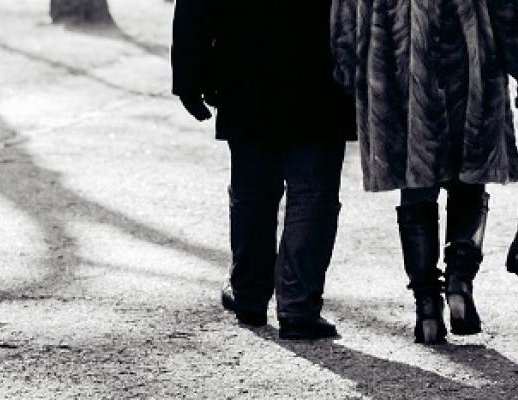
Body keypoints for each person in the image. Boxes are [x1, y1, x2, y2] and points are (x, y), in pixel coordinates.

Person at [332, 0, 518, 344]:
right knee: (469, 180)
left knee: (416, 184)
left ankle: (427, 305)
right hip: (468, 57)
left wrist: (349, 65)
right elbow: (505, 8)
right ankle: (459, 282)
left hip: (397, 63)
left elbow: (345, 11)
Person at [171, 0, 356, 339]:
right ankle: (297, 306)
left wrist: (188, 73)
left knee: (254, 189)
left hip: (247, 64)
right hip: (320, 68)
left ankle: (249, 294)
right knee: (312, 193)